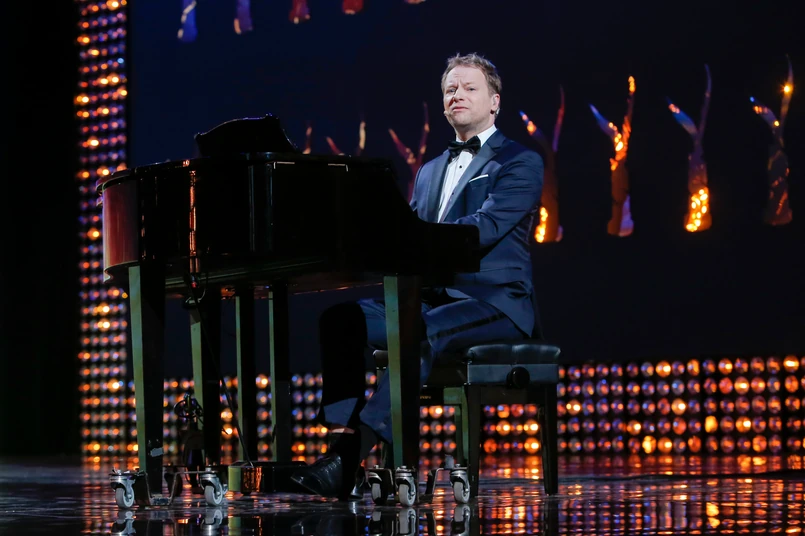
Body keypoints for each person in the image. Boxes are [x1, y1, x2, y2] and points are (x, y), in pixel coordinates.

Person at [290, 52, 544, 499]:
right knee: (341, 320)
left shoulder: (520, 161)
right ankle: (343, 441)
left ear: (494, 102)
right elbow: (405, 234)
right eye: (450, 89)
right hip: (430, 299)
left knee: (415, 332)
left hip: (495, 300)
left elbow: (484, 228)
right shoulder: (428, 172)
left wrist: (413, 238)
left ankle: (348, 461)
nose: (457, 95)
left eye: (469, 87)